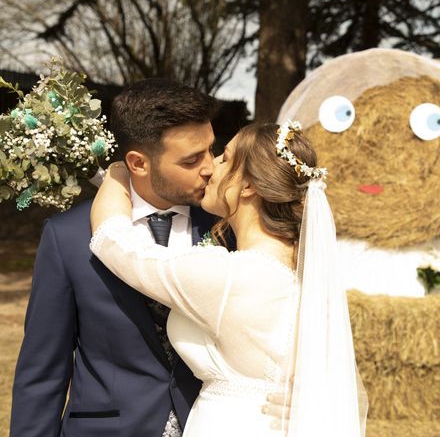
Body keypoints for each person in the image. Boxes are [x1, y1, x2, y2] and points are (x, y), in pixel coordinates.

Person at [10, 79, 261, 436]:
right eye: (191, 159)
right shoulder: (67, 237)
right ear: (138, 163)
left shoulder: (230, 227)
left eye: (210, 149)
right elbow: (42, 372)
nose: (209, 167)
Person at [89, 120, 367, 436]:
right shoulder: (306, 272)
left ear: (248, 186)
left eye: (225, 158)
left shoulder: (230, 277)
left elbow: (115, 242)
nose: (210, 168)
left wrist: (119, 172)